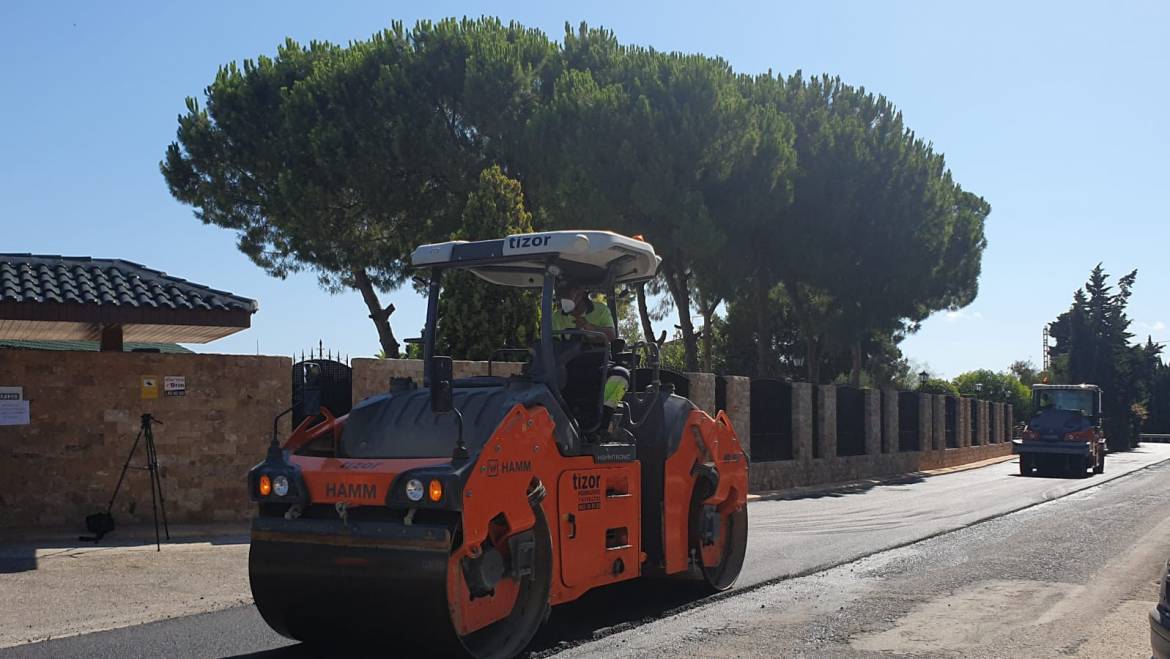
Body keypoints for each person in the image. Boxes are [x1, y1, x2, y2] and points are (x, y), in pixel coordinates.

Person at [552, 281, 629, 437]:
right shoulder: (557, 317)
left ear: (580, 292)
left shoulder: (601, 310)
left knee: (621, 376)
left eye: (568, 293)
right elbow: (552, 345)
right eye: (561, 295)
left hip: (598, 365)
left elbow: (611, 336)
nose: (563, 298)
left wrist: (588, 327)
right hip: (570, 367)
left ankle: (602, 424)